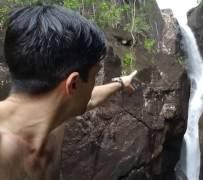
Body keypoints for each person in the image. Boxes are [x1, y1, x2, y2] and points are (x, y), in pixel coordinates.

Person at [0, 5, 137, 180]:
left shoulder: (53, 116)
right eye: (95, 75)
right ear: (73, 84)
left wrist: (120, 83)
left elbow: (90, 99)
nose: (94, 83)